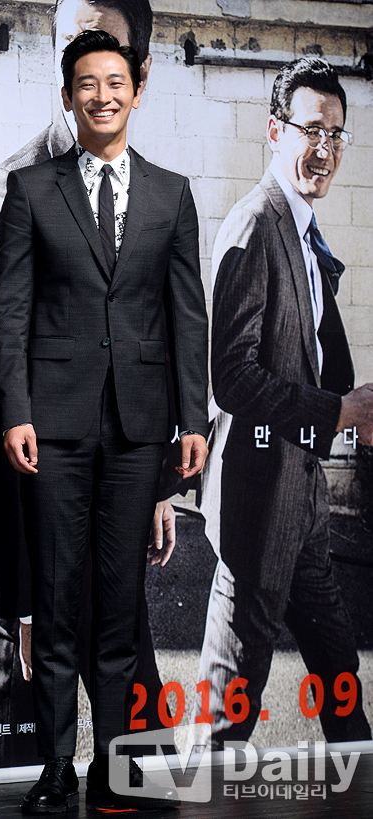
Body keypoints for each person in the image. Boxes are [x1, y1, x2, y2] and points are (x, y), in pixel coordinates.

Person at [0, 0, 178, 770]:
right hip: (33, 537)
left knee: (141, 762)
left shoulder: (146, 191)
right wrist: (21, 590)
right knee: (15, 767)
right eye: (72, 43)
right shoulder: (14, 186)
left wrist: (155, 487)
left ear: (140, 73)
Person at [0, 29, 209, 812]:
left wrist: (193, 419)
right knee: (56, 602)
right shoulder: (30, 190)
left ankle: (116, 764)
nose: (103, 95)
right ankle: (57, 764)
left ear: (136, 91)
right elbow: (11, 311)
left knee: (120, 607)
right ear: (68, 96)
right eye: (87, 83)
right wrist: (17, 408)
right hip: (50, 426)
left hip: (138, 429)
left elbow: (187, 316)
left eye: (115, 82)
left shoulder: (171, 194)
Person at [191, 57, 373, 751]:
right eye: (310, 130)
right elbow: (231, 378)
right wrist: (338, 413)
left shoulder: (301, 231)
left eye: (336, 134)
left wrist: (347, 408)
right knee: (227, 710)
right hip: (257, 508)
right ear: (275, 131)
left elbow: (312, 350)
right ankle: (202, 793)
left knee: (340, 674)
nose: (324, 149)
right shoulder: (254, 226)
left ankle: (360, 784)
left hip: (303, 506)